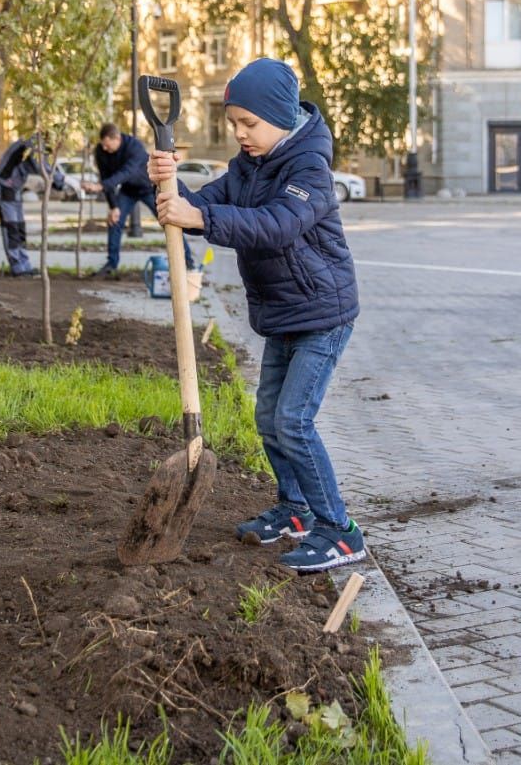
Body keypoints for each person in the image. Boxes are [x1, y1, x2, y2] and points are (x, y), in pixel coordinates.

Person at [148, 58, 364, 573]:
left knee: (293, 420)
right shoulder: (247, 167)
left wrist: (199, 215)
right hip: (284, 313)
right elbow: (200, 204)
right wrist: (164, 182)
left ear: (282, 117)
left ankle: (340, 531)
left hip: (323, 314)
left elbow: (276, 225)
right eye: (234, 124)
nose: (241, 134)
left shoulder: (309, 168)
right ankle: (295, 511)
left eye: (250, 124)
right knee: (268, 419)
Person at [91, 121, 192, 278]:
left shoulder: (134, 147)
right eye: (103, 145)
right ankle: (111, 264)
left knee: (169, 220)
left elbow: (126, 172)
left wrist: (102, 186)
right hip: (127, 191)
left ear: (116, 138)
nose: (105, 148)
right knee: (114, 222)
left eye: (107, 145)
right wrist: (113, 206)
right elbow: (107, 177)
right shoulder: (101, 152)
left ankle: (188, 261)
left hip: (149, 188)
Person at [0, 136, 68, 276]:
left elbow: (47, 165)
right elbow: (41, 166)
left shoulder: (40, 145)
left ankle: (24, 265)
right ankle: (18, 268)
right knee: (11, 228)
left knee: (20, 227)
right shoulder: (33, 144)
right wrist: (60, 181)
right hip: (4, 186)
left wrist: (59, 179)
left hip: (15, 188)